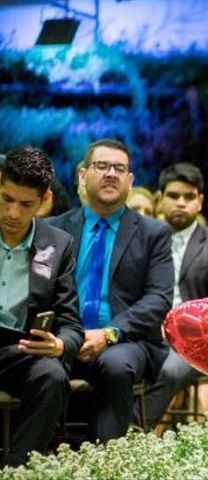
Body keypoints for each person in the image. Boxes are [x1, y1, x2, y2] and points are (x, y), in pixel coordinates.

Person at [49, 138, 174, 443]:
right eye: (101, 166)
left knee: (115, 365)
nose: (111, 174)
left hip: (125, 340)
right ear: (82, 175)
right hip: (63, 336)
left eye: (119, 168)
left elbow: (159, 299)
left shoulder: (152, 233)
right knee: (38, 368)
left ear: (130, 180)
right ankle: (35, 459)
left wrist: (108, 334)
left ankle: (106, 459)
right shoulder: (54, 229)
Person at [140, 162, 208, 431]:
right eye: (174, 196)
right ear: (161, 199)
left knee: (171, 370)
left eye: (189, 197)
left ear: (200, 201)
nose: (181, 203)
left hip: (195, 340)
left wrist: (181, 329)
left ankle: (132, 436)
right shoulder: (142, 240)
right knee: (116, 366)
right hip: (144, 332)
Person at [0, 147, 84, 465]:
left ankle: (17, 470)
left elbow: (72, 323)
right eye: (6, 199)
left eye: (26, 204)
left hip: (22, 349)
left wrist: (60, 343)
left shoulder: (58, 243)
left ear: (44, 199)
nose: (13, 214)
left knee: (52, 376)